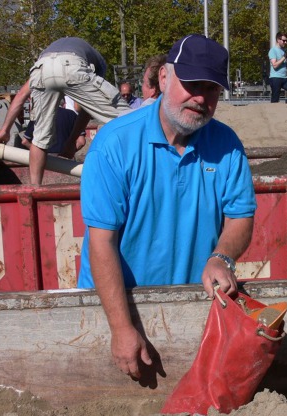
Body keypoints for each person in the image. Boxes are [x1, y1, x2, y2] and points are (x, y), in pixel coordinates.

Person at [77, 34, 257, 380]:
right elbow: (102, 242)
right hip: (115, 306)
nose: (200, 98)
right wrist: (121, 327)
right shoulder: (115, 144)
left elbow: (240, 217)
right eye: (191, 84)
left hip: (190, 302)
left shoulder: (227, 145)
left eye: (212, 89)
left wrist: (221, 258)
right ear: (164, 78)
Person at [0, 37, 131, 184]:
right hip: (72, 65)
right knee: (127, 118)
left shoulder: (50, 54)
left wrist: (4, 130)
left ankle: (34, 189)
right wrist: (71, 142)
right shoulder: (97, 61)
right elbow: (86, 109)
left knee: (39, 139)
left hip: (41, 68)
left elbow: (20, 96)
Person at [21, 99, 87, 154]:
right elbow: (81, 142)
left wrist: (39, 152)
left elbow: (25, 141)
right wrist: (69, 152)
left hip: (44, 160)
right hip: (66, 161)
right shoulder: (72, 115)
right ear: (64, 104)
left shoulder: (39, 115)